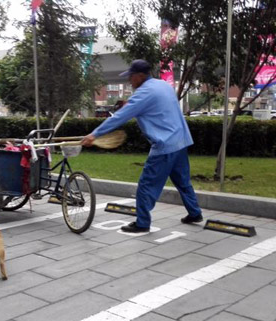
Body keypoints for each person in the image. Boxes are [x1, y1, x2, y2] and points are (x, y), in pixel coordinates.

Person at [81, 59, 202, 233]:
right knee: (183, 181)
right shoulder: (164, 85)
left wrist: (94, 135)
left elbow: (119, 117)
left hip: (165, 145)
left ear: (140, 75)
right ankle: (195, 212)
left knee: (147, 184)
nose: (129, 81)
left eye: (131, 76)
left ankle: (142, 222)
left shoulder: (143, 94)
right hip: (181, 141)